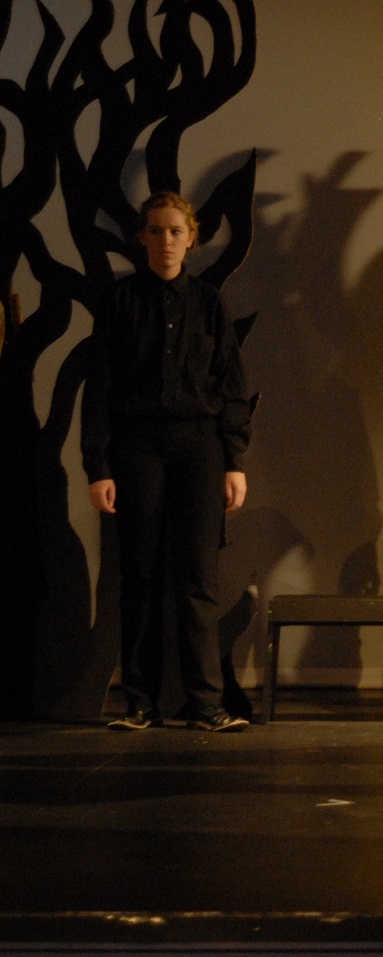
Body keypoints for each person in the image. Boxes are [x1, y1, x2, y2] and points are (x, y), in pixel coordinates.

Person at [81, 192, 252, 733]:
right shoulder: (121, 302)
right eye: (156, 231)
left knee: (199, 578)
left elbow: (231, 386)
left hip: (199, 447)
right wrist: (98, 466)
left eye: (176, 231)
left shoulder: (209, 304)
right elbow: (100, 388)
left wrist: (234, 460)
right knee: (141, 576)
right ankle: (140, 701)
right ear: (142, 238)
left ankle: (206, 704)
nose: (166, 241)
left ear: (191, 238)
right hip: (138, 448)